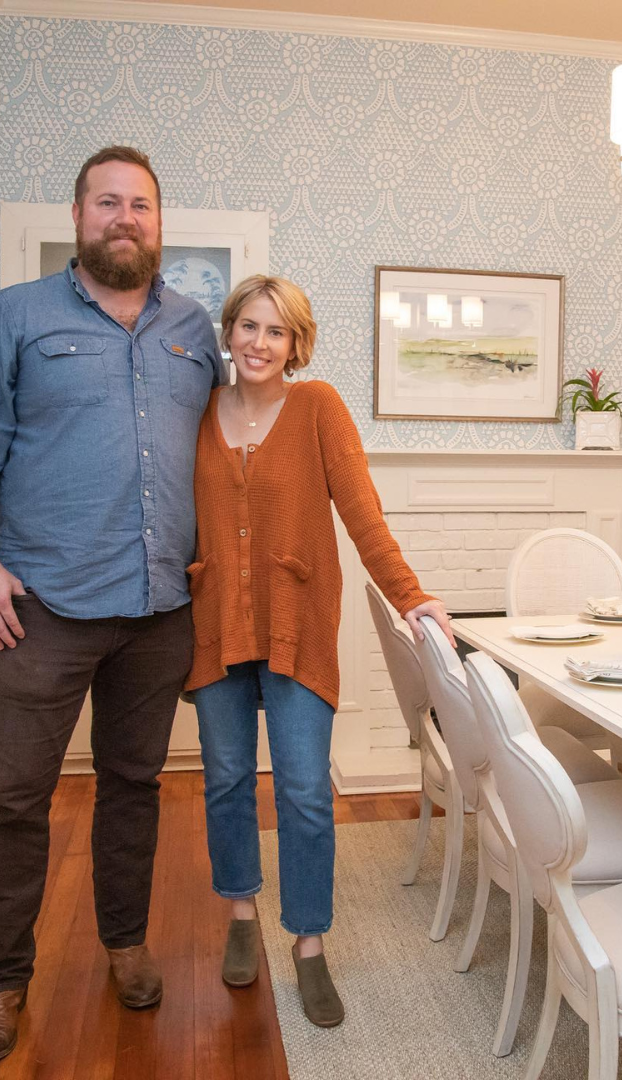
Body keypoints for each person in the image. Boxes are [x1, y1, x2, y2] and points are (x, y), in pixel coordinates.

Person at [0, 146, 223, 1066]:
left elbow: (227, 445)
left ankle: (125, 941)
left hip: (158, 608)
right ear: (79, 214)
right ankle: (0, 983)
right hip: (38, 608)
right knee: (15, 799)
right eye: (108, 202)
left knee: (133, 787)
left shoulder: (194, 328)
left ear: (159, 222)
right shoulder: (9, 316)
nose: (124, 218)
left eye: (141, 204)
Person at [184, 275, 452, 1028]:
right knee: (229, 779)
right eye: (247, 326)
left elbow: (362, 512)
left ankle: (308, 941)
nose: (259, 343)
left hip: (295, 621)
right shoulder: (199, 411)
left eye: (276, 331)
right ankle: (241, 914)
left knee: (304, 791)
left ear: (296, 343)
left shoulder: (318, 407)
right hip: (215, 623)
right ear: (228, 331)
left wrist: (410, 595)